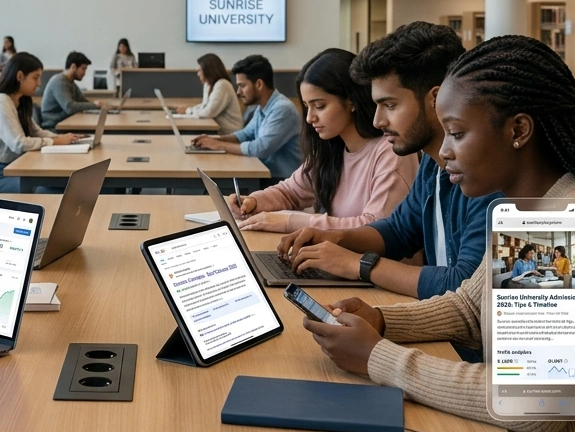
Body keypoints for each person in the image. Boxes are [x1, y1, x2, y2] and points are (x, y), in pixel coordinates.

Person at [300, 34, 575, 432]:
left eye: (458, 134)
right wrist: (384, 322)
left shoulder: (561, 224)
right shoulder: (529, 208)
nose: (442, 152)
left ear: (518, 130)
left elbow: (533, 405)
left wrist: (380, 358)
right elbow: (471, 305)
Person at [276, 22, 496, 300]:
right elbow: (398, 230)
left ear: (436, 98)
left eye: (390, 105)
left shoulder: (488, 177)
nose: (378, 121)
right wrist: (335, 239)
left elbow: (465, 283)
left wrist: (358, 264)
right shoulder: (432, 163)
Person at [226, 49, 418, 233]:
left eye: (319, 106)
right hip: (339, 259)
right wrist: (253, 202)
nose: (310, 118)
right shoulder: (332, 147)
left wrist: (290, 221)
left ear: (351, 101)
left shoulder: (391, 151)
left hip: (375, 264)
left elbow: (374, 227)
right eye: (306, 107)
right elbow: (290, 192)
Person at [0, 52, 79, 192]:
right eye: (35, 78)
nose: (39, 83)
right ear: (20, 76)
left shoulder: (20, 101)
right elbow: (19, 143)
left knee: (59, 185)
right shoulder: (0, 102)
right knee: (44, 191)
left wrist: (63, 138)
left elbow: (36, 132)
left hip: (13, 166)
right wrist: (55, 141)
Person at [191, 55, 302, 180]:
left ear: (259, 84)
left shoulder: (283, 109)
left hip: (280, 181)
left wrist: (219, 145)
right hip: (263, 173)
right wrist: (215, 139)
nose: (238, 92)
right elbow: (245, 134)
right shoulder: (262, 107)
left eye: (242, 86)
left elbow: (260, 148)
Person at [40, 51, 103, 130]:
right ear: (73, 66)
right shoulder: (59, 81)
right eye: (83, 69)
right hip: (54, 127)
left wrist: (102, 106)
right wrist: (95, 105)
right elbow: (69, 107)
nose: (84, 73)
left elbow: (83, 101)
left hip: (64, 123)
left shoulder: (71, 83)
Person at [183, 53, 244, 134]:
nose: (197, 74)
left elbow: (209, 112)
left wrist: (188, 111)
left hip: (230, 134)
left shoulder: (223, 84)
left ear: (208, 70)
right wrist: (190, 110)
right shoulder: (208, 84)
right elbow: (204, 106)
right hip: (218, 131)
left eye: (199, 71)